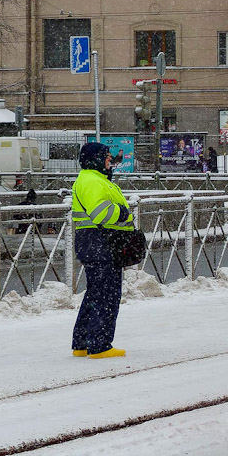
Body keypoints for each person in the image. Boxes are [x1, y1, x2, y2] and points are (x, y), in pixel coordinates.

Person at [70, 142, 134, 359]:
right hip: (101, 242)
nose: (110, 161)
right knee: (107, 295)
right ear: (96, 159)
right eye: (106, 157)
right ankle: (100, 344)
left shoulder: (94, 179)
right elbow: (100, 213)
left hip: (96, 242)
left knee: (96, 292)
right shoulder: (92, 181)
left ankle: (82, 343)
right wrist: (123, 213)